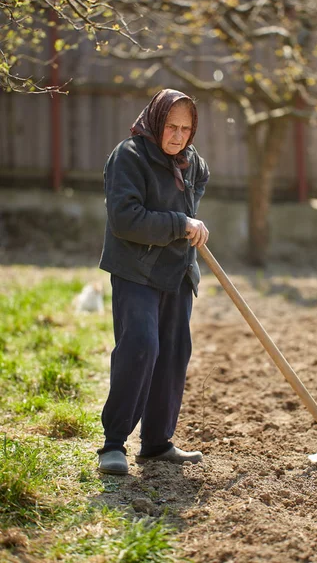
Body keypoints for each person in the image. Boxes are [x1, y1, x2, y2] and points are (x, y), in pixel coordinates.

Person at [97, 88, 210, 475]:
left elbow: (192, 197)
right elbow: (125, 219)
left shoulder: (191, 162)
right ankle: (113, 444)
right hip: (136, 270)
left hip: (177, 272)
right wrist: (181, 224)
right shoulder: (128, 157)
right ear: (155, 120)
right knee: (141, 345)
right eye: (170, 126)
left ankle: (157, 443)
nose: (177, 136)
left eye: (186, 128)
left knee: (175, 352)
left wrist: (190, 224)